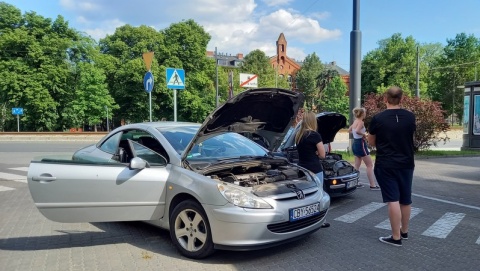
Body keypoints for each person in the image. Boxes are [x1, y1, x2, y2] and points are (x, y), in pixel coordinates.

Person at [367, 86, 416, 247]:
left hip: (386, 163)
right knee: (406, 199)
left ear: (385, 99)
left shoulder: (378, 119)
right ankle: (405, 231)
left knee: (393, 199)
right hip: (407, 163)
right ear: (401, 99)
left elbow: (372, 141)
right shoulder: (410, 117)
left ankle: (396, 237)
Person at [295, 111, 330, 228]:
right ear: (313, 121)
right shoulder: (315, 135)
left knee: (306, 195)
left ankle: (305, 218)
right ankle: (321, 220)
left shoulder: (298, 135)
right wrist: (316, 152)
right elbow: (323, 155)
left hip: (302, 168)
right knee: (319, 194)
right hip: (315, 168)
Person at [348, 107, 380, 190]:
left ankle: (356, 182)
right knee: (369, 165)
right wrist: (364, 135)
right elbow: (358, 130)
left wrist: (356, 134)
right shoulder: (361, 122)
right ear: (362, 114)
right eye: (365, 112)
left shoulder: (355, 121)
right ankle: (372, 185)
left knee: (357, 165)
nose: (365, 114)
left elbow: (349, 130)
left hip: (355, 143)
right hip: (360, 144)